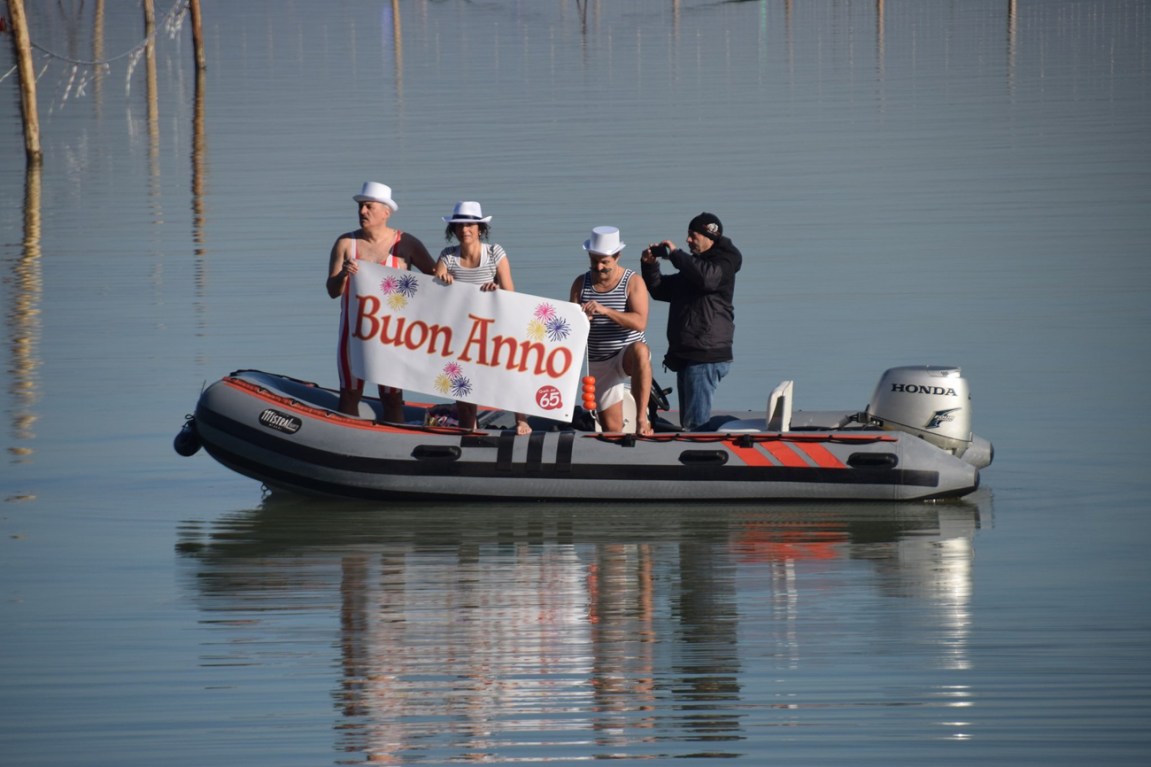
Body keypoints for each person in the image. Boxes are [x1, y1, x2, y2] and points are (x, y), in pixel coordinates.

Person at [327, 181, 436, 422]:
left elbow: (437, 279)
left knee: (392, 398)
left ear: (386, 211)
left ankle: (395, 447)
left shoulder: (406, 243)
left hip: (392, 334)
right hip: (353, 332)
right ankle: (348, 445)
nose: (362, 212)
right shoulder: (346, 244)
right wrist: (344, 274)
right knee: (349, 394)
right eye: (360, 207)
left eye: (368, 207)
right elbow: (332, 291)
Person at [433, 201, 531, 435]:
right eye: (459, 226)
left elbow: (511, 294)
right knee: (463, 382)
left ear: (480, 228)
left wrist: (496, 289)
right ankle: (470, 429)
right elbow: (433, 294)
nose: (465, 230)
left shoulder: (495, 252)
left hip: (494, 327)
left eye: (470, 225)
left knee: (510, 373)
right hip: (462, 331)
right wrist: (443, 281)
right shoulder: (447, 256)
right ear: (453, 230)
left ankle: (521, 420)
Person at [640, 212, 742, 431]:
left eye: (692, 235)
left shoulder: (723, 264)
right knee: (689, 424)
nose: (688, 240)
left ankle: (703, 462)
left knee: (696, 427)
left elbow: (707, 279)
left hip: (706, 355)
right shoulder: (694, 267)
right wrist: (650, 266)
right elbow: (660, 290)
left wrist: (676, 254)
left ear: (709, 235)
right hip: (687, 354)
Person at [569, 226, 654, 436]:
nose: (599, 267)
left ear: (617, 257)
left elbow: (640, 322)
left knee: (641, 350)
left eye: (605, 262)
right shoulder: (581, 284)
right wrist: (582, 321)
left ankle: (642, 419)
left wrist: (605, 311)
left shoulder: (633, 281)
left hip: (626, 353)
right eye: (594, 261)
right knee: (612, 431)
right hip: (599, 361)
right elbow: (569, 327)